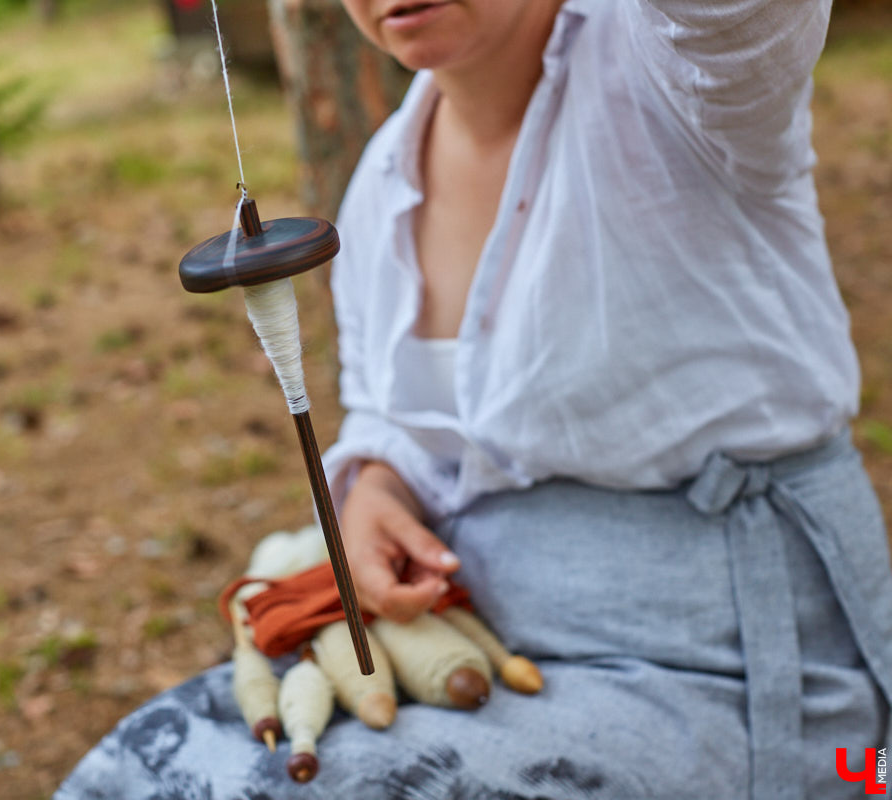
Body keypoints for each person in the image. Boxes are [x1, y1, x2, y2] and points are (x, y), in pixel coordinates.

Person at [56, 0, 892, 798]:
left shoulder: (683, 81)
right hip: (488, 651)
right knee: (144, 764)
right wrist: (378, 486)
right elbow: (396, 414)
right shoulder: (381, 184)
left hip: (721, 674)